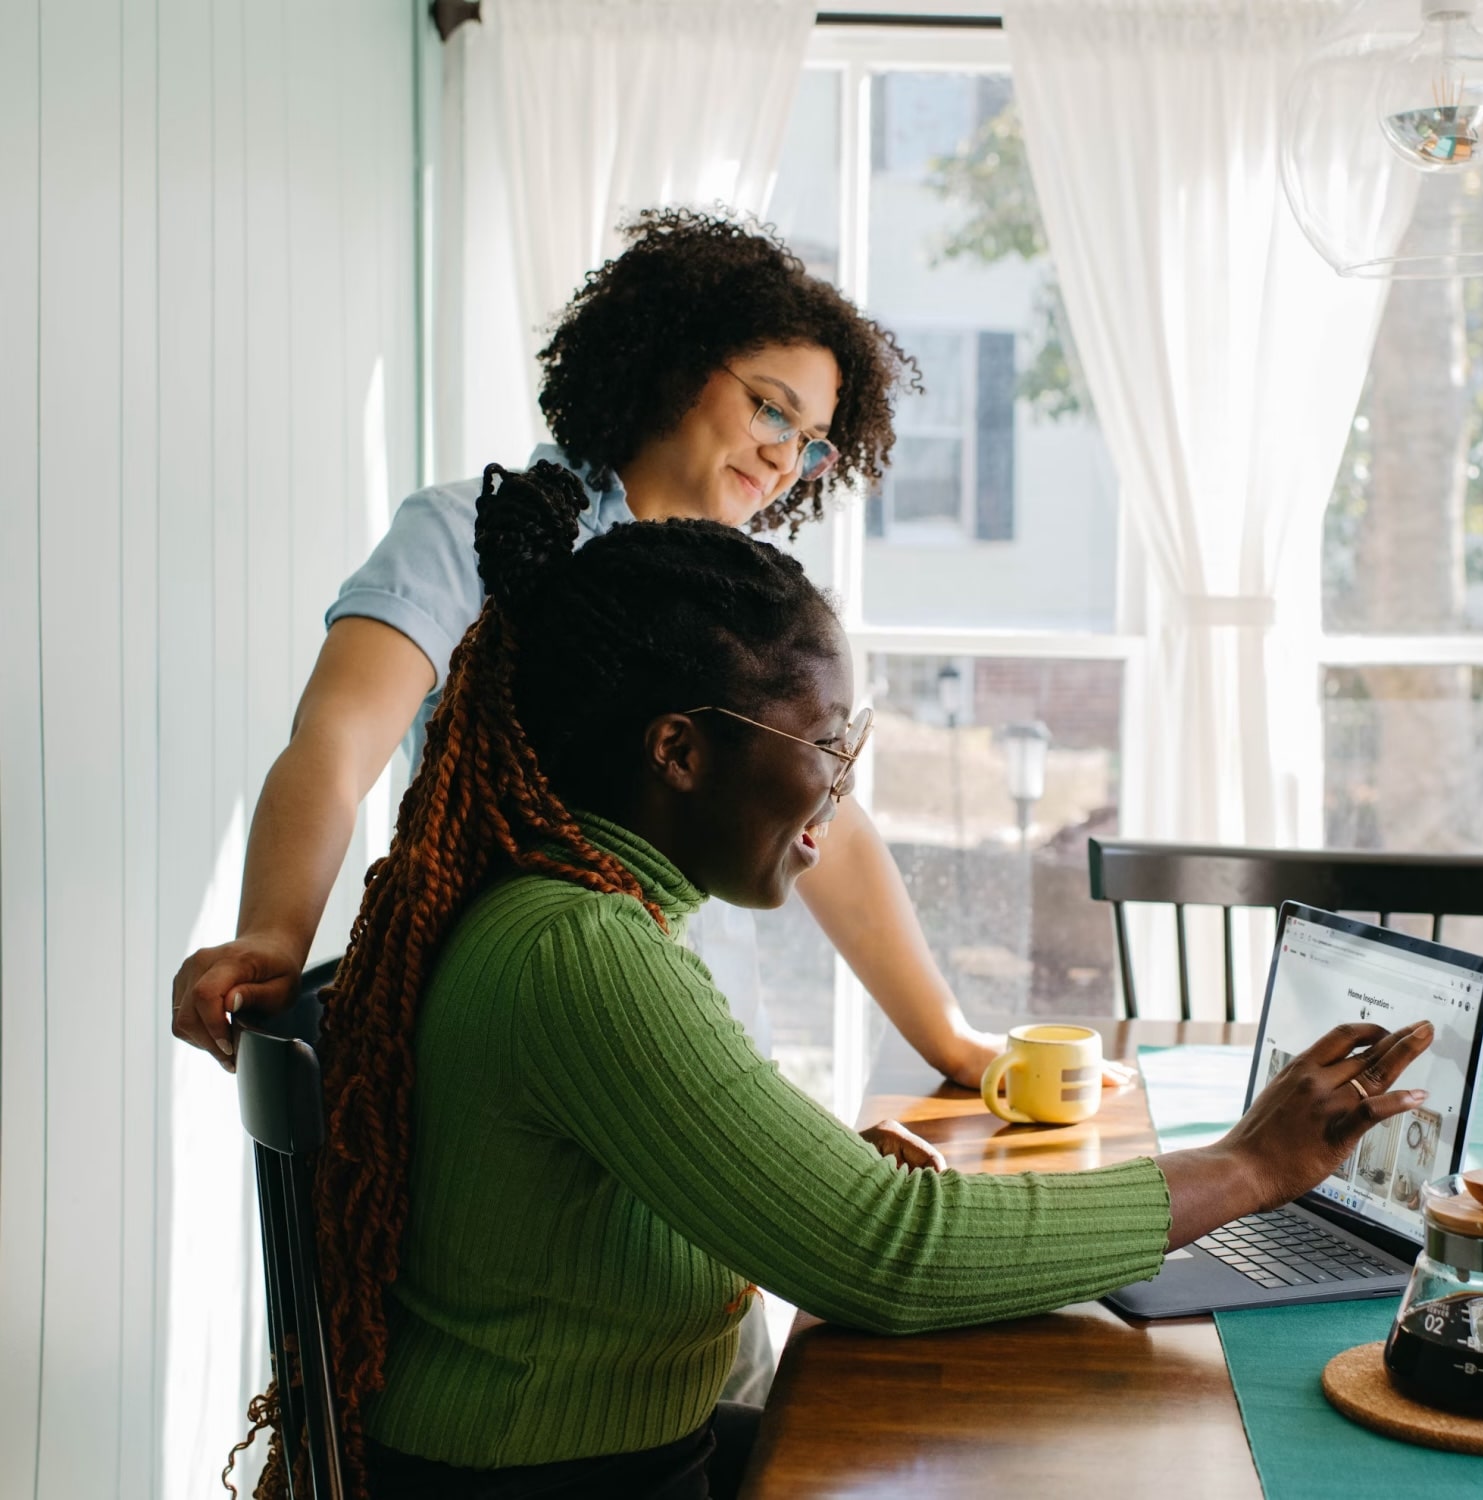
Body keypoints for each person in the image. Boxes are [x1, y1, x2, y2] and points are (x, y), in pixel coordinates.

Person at [229, 464, 1432, 1500]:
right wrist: (1250, 1166)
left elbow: (739, 1197)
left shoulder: (585, 918)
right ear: (678, 752)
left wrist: (821, 1181)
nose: (839, 794)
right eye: (826, 748)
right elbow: (886, 1258)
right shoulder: (577, 951)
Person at [172, 207, 1010, 1093]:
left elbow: (820, 827)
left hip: (710, 1058)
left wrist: (951, 1042)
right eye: (772, 408)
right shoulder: (472, 534)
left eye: (808, 445)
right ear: (674, 363)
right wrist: (274, 933)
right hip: (532, 1061)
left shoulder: (748, 603)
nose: (782, 456)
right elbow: (335, 743)